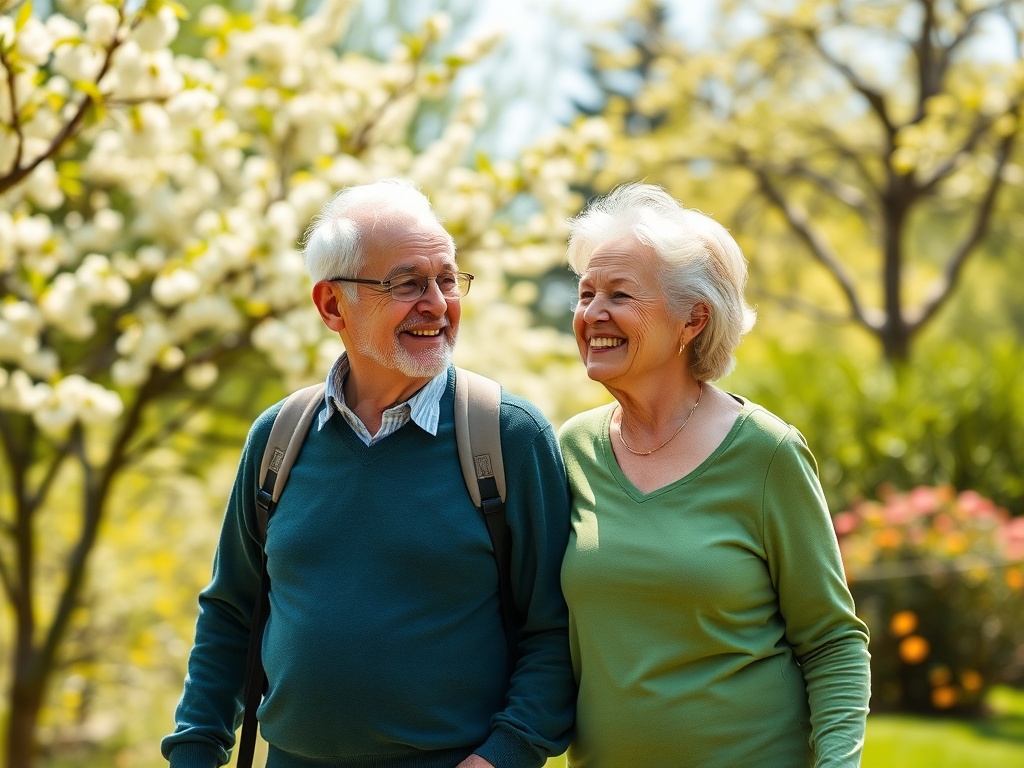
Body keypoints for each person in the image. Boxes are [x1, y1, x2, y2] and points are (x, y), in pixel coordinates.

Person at [162, 178, 576, 768]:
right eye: (407, 283)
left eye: (448, 279)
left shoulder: (507, 437)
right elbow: (233, 611)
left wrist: (504, 756)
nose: (437, 303)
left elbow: (554, 630)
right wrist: (196, 751)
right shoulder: (279, 438)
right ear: (332, 305)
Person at [557, 183, 871, 767]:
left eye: (620, 295)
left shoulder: (768, 454)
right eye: (585, 293)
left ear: (693, 319)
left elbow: (833, 642)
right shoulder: (572, 448)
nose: (592, 314)